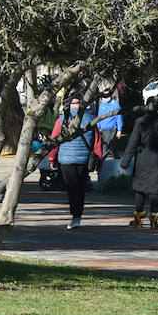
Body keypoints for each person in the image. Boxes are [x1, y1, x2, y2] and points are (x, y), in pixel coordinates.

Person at [49, 92, 102, 228]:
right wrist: (99, 161)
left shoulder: (61, 120)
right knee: (80, 188)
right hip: (84, 160)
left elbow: (54, 141)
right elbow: (97, 142)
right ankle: (77, 216)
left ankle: (75, 216)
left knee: (72, 188)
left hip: (66, 160)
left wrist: (52, 159)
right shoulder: (90, 119)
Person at [120, 96, 158, 229]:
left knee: (140, 189)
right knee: (155, 190)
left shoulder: (140, 122)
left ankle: (138, 220)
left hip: (143, 160)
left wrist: (125, 161)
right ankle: (154, 220)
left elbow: (132, 143)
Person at [93, 93, 123, 158]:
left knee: (106, 144)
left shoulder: (115, 104)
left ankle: (102, 158)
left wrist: (119, 130)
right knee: (112, 144)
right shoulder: (102, 105)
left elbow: (119, 117)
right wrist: (98, 127)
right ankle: (116, 156)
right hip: (104, 128)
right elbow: (99, 116)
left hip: (112, 128)